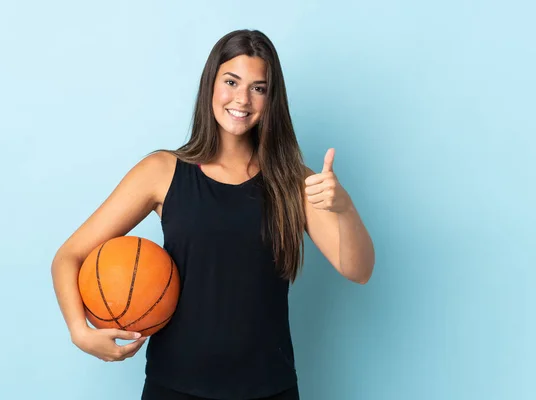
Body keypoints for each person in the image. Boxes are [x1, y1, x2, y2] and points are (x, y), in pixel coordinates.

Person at [51, 29, 375, 400]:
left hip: (269, 388)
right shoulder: (162, 171)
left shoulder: (293, 181)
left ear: (272, 99)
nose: (242, 99)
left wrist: (344, 208)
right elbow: (68, 257)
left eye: (258, 88)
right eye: (232, 82)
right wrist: (80, 331)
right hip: (174, 387)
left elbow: (359, 270)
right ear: (211, 84)